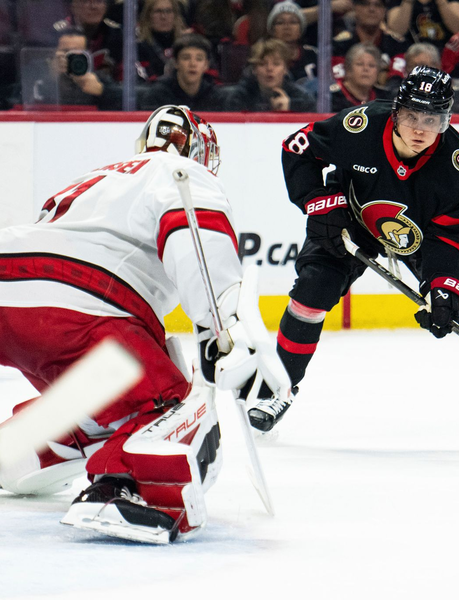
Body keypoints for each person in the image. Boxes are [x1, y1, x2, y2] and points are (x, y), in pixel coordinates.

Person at [0, 106, 277, 543]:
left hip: (12, 279)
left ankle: (14, 452)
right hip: (79, 301)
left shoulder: (95, 178)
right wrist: (223, 328)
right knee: (171, 406)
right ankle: (123, 490)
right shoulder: (182, 172)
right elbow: (193, 233)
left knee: (109, 396)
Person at [270, 66, 459, 448]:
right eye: (412, 116)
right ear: (396, 111)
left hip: (423, 238)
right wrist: (318, 201)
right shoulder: (361, 127)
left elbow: (448, 241)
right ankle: (274, 390)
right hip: (352, 219)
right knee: (313, 289)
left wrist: (442, 286)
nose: (419, 129)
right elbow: (298, 148)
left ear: (445, 121)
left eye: (431, 120)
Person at [30, 27, 122, 110]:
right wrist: (50, 78)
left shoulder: (96, 77)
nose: (71, 56)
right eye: (66, 51)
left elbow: (126, 101)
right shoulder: (37, 71)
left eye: (77, 51)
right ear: (54, 52)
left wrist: (102, 91)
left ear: (86, 54)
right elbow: (24, 102)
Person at [141, 33, 227, 111]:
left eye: (199, 59)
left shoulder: (216, 97)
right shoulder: (158, 95)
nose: (193, 64)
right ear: (176, 62)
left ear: (206, 65)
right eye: (186, 58)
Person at [332, 0, 410, 85]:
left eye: (378, 5)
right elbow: (339, 82)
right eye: (365, 4)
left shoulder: (397, 45)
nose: (372, 9)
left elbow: (397, 82)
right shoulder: (339, 45)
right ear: (354, 8)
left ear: (384, 11)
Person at [226, 38, 316, 111]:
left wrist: (290, 110)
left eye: (276, 64)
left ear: (285, 69)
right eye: (262, 64)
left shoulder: (303, 99)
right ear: (254, 69)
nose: (269, 69)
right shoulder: (239, 98)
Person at [52, 0, 123, 79]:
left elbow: (125, 78)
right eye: (85, 1)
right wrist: (52, 74)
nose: (93, 6)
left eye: (99, 1)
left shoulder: (117, 34)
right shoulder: (56, 33)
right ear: (73, 6)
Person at [267, 1, 319, 88]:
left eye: (293, 22)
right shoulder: (263, 57)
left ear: (300, 29)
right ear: (272, 30)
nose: (287, 27)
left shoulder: (314, 54)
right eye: (280, 22)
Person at [137, 0, 191, 81]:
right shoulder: (138, 48)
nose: (163, 17)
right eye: (158, 11)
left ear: (175, 15)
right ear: (148, 16)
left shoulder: (187, 45)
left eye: (168, 11)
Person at [330, 43, 393, 111]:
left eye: (371, 65)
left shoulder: (385, 98)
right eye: (360, 64)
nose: (366, 69)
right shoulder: (331, 97)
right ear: (348, 69)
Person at [386, 0, 459, 50]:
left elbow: (456, 27)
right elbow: (397, 31)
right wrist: (408, 2)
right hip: (411, 52)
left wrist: (441, 2)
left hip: (446, 54)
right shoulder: (398, 1)